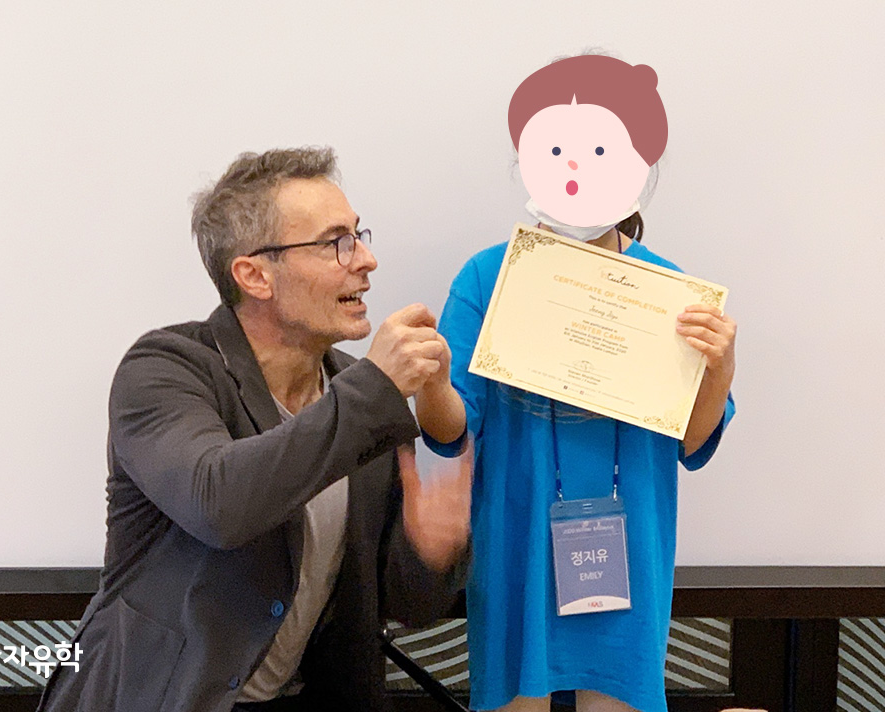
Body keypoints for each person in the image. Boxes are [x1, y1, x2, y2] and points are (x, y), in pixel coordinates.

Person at [36, 147, 471, 712]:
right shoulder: (164, 369)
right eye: (335, 243)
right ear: (255, 275)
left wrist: (431, 548)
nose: (366, 260)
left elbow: (406, 605)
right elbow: (219, 504)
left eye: (359, 236)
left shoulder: (357, 394)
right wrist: (374, 387)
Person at [416, 55, 737, 712]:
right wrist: (430, 381)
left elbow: (692, 443)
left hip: (630, 547)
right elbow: (450, 430)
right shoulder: (487, 277)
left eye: (599, 150)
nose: (575, 167)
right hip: (517, 544)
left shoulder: (669, 291)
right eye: (557, 149)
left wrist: (720, 369)